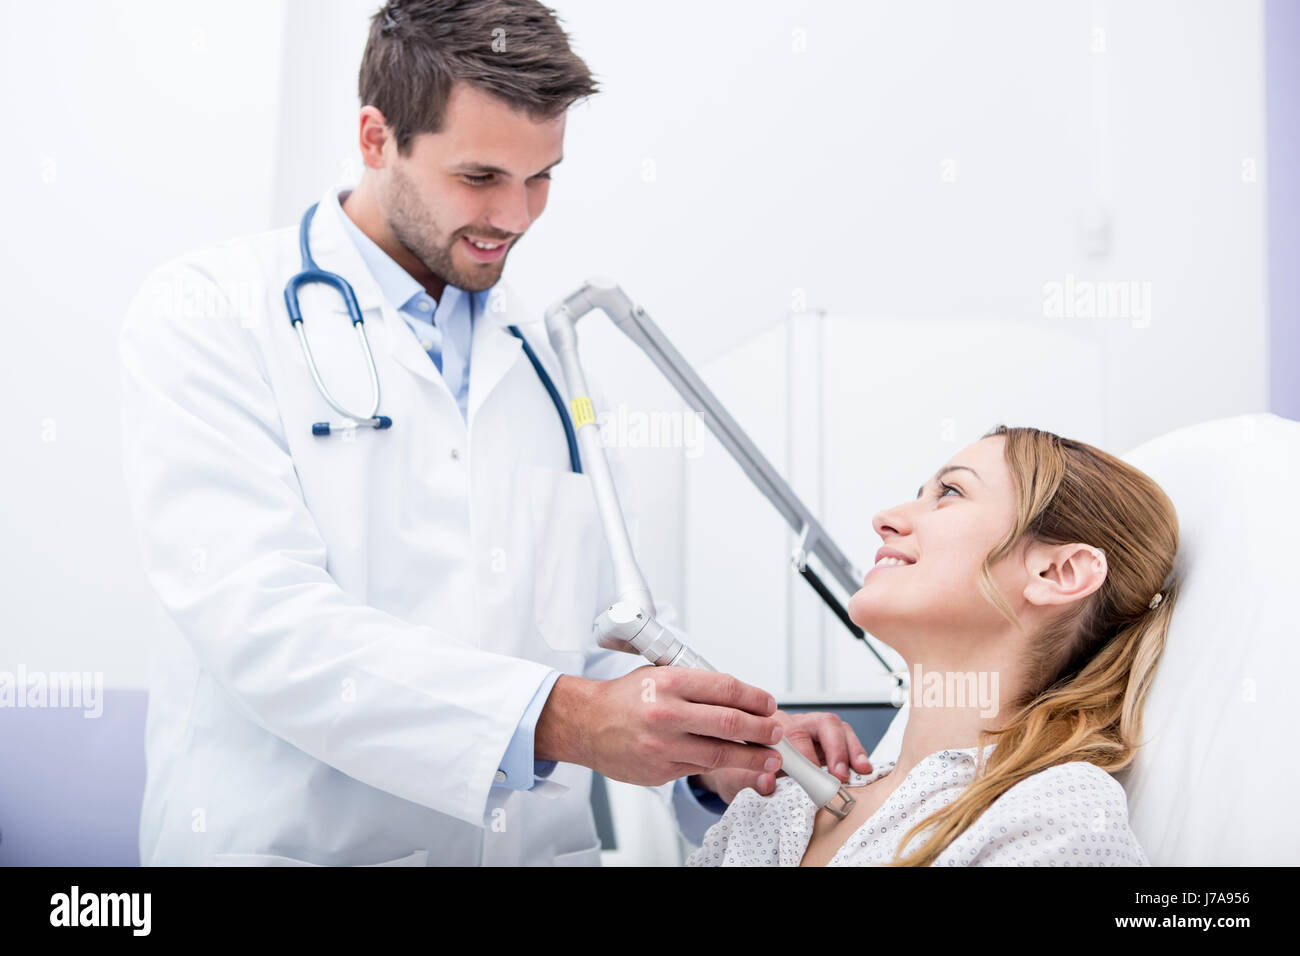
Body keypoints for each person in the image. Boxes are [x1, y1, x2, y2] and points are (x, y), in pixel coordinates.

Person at [118, 0, 869, 866]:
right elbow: (265, 625)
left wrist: (711, 755)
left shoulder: (548, 362)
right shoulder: (210, 312)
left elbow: (599, 636)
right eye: (479, 178)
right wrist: (562, 719)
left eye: (542, 176)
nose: (515, 216)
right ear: (375, 137)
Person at [687, 424, 1179, 866]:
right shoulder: (778, 805)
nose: (885, 518)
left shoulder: (1054, 813)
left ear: (1057, 573)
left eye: (949, 492)